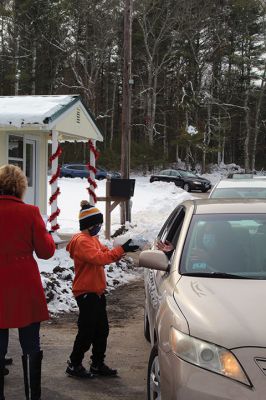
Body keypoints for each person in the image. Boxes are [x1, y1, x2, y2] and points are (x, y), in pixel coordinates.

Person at [0, 164, 56, 400]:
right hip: (24, 284)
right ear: (20, 188)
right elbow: (45, 252)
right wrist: (47, 237)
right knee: (31, 343)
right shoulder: (30, 212)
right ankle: (33, 396)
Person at [65, 200, 139, 378]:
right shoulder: (82, 241)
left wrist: (123, 250)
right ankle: (74, 364)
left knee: (101, 330)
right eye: (97, 224)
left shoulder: (92, 239)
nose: (99, 227)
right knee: (87, 331)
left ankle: (97, 363)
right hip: (86, 293)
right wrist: (120, 250)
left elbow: (106, 253)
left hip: (96, 292)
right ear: (89, 225)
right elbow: (99, 259)